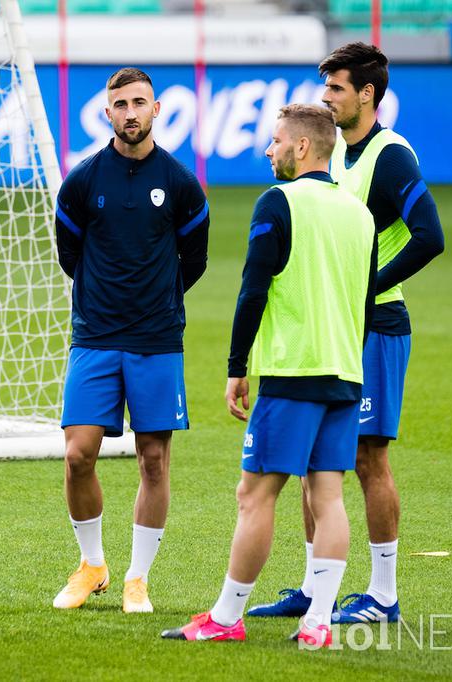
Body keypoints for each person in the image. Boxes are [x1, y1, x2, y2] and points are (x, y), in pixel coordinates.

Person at [161, 104, 376, 647]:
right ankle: (319, 624)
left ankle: (227, 617)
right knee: (328, 496)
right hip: (346, 373)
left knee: (254, 495)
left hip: (292, 372)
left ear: (302, 147)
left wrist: (237, 367)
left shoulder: (276, 202)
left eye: (276, 140)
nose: (268, 149)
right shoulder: (360, 213)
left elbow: (253, 288)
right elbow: (367, 299)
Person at [248, 43, 444, 625]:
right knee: (317, 459)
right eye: (325, 87)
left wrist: (369, 288)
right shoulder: (334, 157)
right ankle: (316, 589)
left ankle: (383, 595)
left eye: (336, 88)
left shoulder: (390, 156)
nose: (326, 97)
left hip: (378, 325)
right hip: (337, 328)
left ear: (367, 94)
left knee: (368, 458)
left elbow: (430, 235)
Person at [52, 67, 209, 614]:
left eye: (140, 102)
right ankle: (93, 564)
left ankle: (137, 579)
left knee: (154, 461)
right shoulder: (83, 181)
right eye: (120, 104)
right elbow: (69, 254)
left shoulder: (182, 184)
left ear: (158, 109)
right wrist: (106, 298)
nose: (131, 112)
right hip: (95, 336)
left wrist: (156, 301)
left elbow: (196, 260)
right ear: (107, 113)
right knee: (77, 455)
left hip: (157, 340)